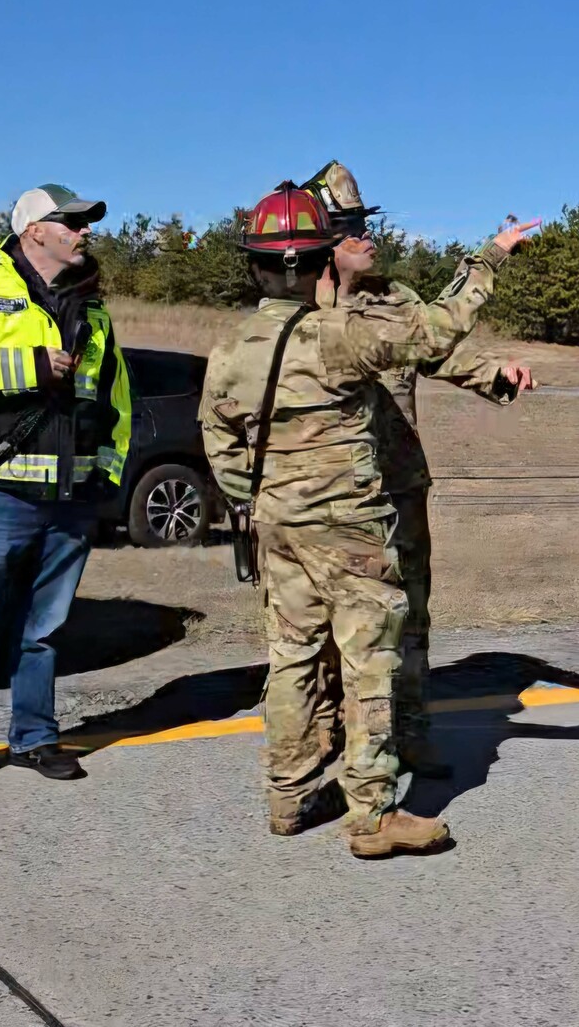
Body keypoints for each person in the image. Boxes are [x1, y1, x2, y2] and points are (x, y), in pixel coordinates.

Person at [201, 180, 537, 857]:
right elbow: (439, 329)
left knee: (293, 654)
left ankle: (290, 793)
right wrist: (489, 261)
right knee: (370, 655)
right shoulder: (336, 331)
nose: (357, 239)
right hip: (350, 520)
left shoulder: (233, 346)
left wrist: (268, 496)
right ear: (317, 258)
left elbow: (220, 444)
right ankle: (371, 811)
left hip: (284, 522)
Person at [304, 161, 535, 779]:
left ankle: (407, 733)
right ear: (323, 240)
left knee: (409, 614)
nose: (371, 237)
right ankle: (324, 738)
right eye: (354, 227)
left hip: (397, 484)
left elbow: (442, 350)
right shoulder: (295, 313)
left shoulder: (396, 301)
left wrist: (494, 374)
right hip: (325, 495)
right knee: (327, 625)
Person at [0, 183, 132, 791]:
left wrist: (108, 479)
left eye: (86, 223)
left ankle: (35, 739)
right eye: (72, 222)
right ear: (35, 230)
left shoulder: (93, 310)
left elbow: (116, 398)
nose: (85, 231)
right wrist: (31, 367)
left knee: (44, 631)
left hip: (71, 500)